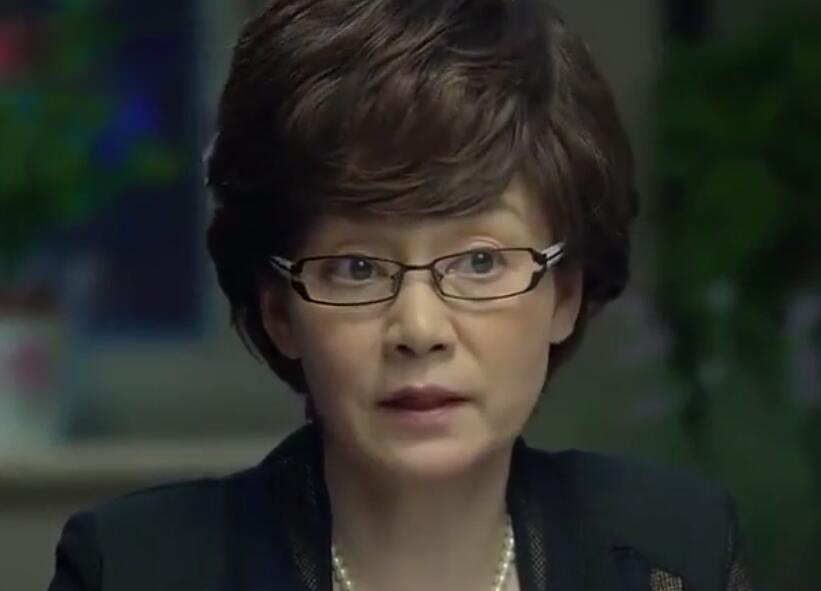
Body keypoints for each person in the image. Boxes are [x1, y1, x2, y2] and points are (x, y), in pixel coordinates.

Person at [48, 0, 755, 589]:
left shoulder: (672, 557)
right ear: (279, 308)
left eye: (480, 260)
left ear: (563, 294)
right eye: (357, 268)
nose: (419, 329)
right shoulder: (135, 569)